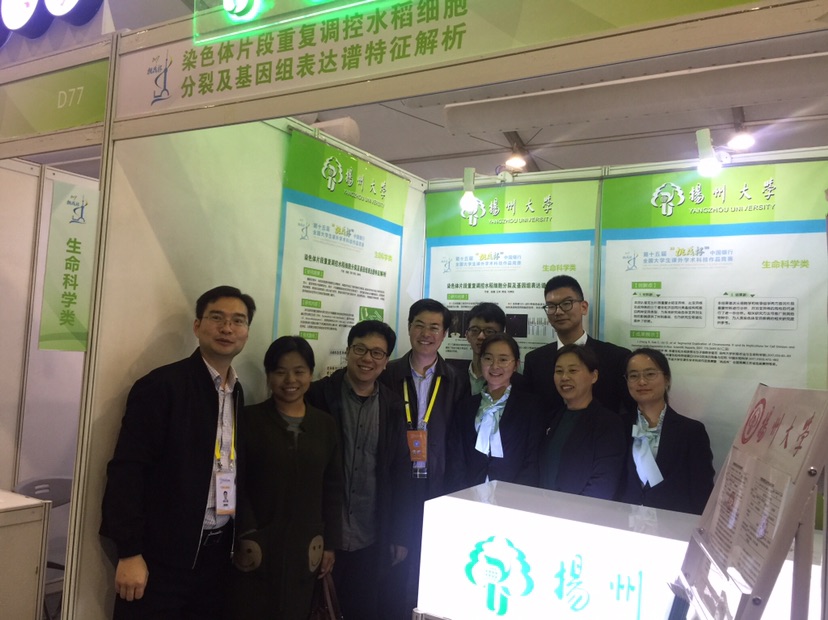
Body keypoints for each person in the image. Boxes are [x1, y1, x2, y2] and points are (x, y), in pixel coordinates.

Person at [100, 285, 256, 619]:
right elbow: (128, 470)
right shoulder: (162, 386)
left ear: (247, 332)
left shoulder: (237, 392)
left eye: (238, 321)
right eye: (217, 318)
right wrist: (129, 551)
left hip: (216, 556)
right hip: (161, 559)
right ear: (197, 325)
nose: (227, 328)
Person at [228, 336, 342, 620]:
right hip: (256, 545)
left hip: (306, 546)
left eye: (299, 371)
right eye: (280, 371)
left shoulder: (325, 425)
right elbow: (235, 481)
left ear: (311, 374)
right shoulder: (248, 420)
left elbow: (333, 487)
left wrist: (330, 543)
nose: (290, 380)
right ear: (268, 376)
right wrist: (246, 531)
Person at [305, 320, 412, 620]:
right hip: (324, 535)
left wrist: (399, 533)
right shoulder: (318, 396)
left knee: (362, 609)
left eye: (377, 353)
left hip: (371, 536)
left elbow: (400, 473)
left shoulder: (393, 405)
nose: (367, 359)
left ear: (386, 361)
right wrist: (323, 536)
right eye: (360, 349)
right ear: (348, 351)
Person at [378, 298, 464, 620]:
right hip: (397, 482)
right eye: (420, 325)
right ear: (409, 327)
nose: (426, 334)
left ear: (444, 334)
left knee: (428, 564)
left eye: (434, 327)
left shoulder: (455, 378)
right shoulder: (388, 373)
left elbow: (457, 439)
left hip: (436, 484)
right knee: (394, 564)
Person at [523, 275, 634, 424]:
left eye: (566, 303)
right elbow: (530, 413)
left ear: (584, 307)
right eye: (551, 306)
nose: (558, 312)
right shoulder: (535, 360)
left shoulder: (616, 357)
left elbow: (630, 412)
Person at [616, 348, 715, 514]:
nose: (641, 382)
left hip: (672, 523)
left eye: (650, 374)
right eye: (633, 376)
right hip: (624, 520)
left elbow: (701, 491)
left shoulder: (691, 432)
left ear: (667, 379)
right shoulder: (618, 426)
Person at [450, 333, 544, 489]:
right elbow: (456, 459)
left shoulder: (530, 407)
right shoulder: (465, 406)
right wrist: (464, 494)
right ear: (480, 361)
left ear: (516, 365)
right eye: (488, 358)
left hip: (513, 495)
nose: (494, 366)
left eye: (503, 360)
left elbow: (532, 461)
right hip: (469, 494)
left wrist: (514, 496)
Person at [538, 344, 626, 499]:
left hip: (580, 512)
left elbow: (603, 483)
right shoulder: (552, 417)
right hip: (543, 507)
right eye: (559, 371)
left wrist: (569, 511)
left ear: (594, 376)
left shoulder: (609, 423)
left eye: (573, 370)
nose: (564, 377)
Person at [458, 302, 507, 396]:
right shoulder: (454, 376)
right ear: (467, 335)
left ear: (502, 336)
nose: (481, 336)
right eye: (475, 330)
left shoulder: (513, 380)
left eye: (489, 331)